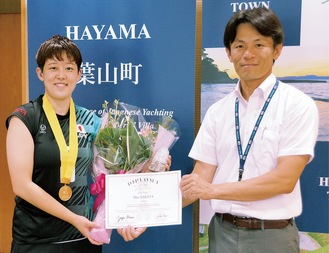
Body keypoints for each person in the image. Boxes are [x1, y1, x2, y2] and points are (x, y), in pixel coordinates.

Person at [6, 35, 165, 253]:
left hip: (84, 239)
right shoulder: (25, 118)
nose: (61, 75)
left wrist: (153, 164)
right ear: (40, 73)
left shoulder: (92, 121)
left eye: (69, 68)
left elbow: (117, 172)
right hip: (36, 242)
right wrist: (74, 219)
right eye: (53, 67)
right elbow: (22, 185)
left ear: (79, 74)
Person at [180, 7, 319, 253]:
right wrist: (143, 216)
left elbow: (284, 180)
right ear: (229, 53)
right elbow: (200, 176)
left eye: (259, 45)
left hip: (273, 237)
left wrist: (212, 190)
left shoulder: (298, 105)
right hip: (221, 234)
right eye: (240, 46)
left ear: (277, 50)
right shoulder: (217, 111)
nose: (248, 54)